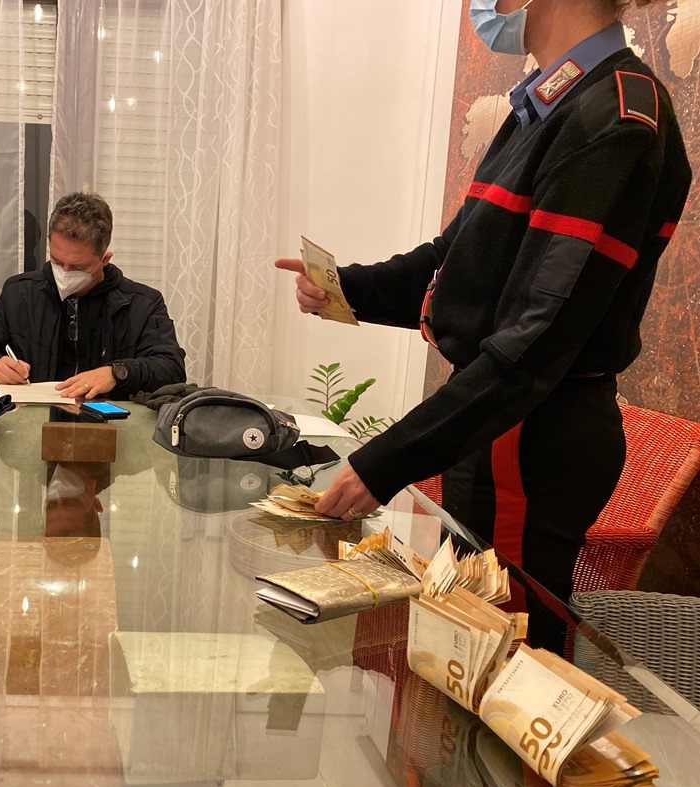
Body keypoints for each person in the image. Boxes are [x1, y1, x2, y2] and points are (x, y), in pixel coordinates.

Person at [277, 0, 691, 616]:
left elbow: (537, 338)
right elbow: (455, 258)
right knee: (464, 633)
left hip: (530, 431)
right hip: (497, 418)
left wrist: (386, 461)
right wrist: (345, 289)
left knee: (505, 643)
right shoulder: (548, 103)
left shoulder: (615, 117)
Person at [0, 191, 186, 399]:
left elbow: (172, 368)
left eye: (78, 267)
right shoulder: (19, 293)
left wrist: (117, 373)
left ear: (105, 259)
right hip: (31, 416)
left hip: (110, 420)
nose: (65, 273)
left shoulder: (143, 304)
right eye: (57, 261)